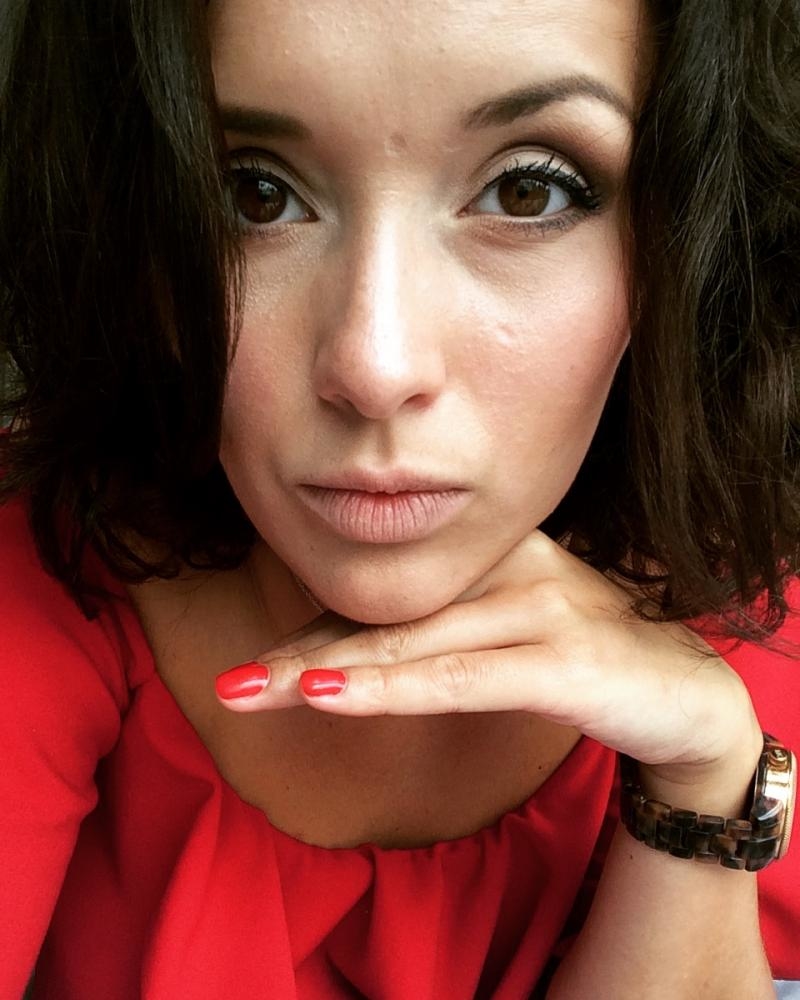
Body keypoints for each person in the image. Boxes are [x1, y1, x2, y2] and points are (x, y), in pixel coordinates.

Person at [1, 0, 798, 997]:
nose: (375, 367)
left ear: (681, 231)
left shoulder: (753, 633)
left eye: (526, 190)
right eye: (254, 194)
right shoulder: (34, 585)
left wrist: (703, 789)